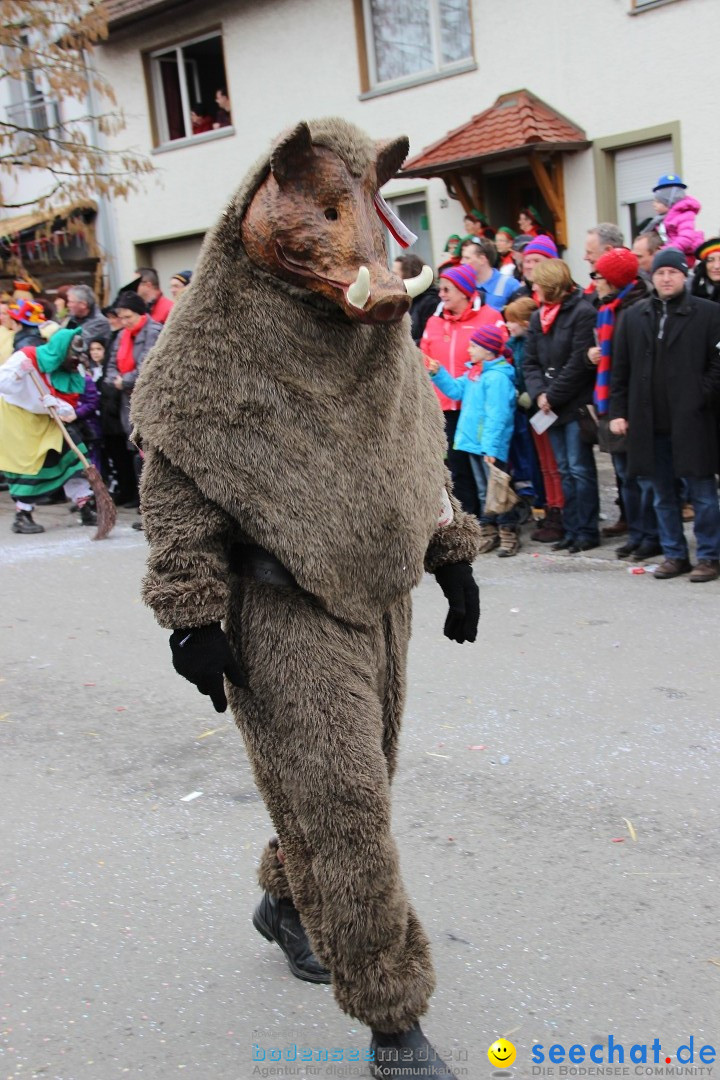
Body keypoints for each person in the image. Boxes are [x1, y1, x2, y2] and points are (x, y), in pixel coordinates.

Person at [131, 117, 482, 1080]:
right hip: (275, 602)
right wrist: (191, 613)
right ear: (272, 194)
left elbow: (416, 441)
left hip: (378, 592)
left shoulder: (375, 339)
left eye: (360, 209)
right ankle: (394, 1024)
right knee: (347, 809)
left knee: (359, 781)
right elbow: (177, 479)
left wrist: (450, 550)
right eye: (329, 209)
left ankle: (287, 901)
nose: (355, 233)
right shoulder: (211, 347)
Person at [610, 249, 720, 582]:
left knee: (702, 493)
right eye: (660, 273)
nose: (666, 278)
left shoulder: (708, 313)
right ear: (652, 277)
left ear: (684, 275)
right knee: (662, 493)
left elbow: (717, 367)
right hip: (648, 421)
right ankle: (674, 555)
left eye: (673, 272)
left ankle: (709, 556)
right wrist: (617, 412)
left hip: (694, 420)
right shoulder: (633, 315)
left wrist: (697, 394)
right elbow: (620, 369)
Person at [587, 248, 659, 561]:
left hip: (632, 404)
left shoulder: (639, 308)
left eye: (598, 276)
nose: (594, 281)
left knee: (642, 476)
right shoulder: (606, 308)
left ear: (614, 279)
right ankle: (637, 533)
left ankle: (651, 536)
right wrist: (593, 356)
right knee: (625, 477)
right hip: (610, 400)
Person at [523, 258, 600, 553]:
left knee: (580, 469)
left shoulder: (582, 312)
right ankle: (571, 528)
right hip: (549, 407)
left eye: (537, 282)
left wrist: (551, 396)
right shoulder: (537, 317)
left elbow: (578, 364)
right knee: (565, 469)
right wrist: (540, 392)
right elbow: (529, 362)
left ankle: (587, 530)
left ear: (551, 285)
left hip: (573, 404)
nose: (533, 286)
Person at [420, 262, 507, 516]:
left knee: (486, 469)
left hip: (478, 407)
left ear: (463, 290)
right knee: (457, 469)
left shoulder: (490, 316)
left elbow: (503, 357)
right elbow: (425, 358)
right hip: (445, 406)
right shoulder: (435, 322)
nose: (441, 294)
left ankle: (498, 521)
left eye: (447, 289)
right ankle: (471, 520)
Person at [428, 324, 520, 556]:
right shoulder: (474, 373)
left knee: (498, 491)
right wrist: (439, 373)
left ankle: (509, 532)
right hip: (472, 443)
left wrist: (491, 447)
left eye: (473, 346)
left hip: (488, 447)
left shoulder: (497, 378)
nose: (468, 349)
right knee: (483, 492)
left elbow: (497, 416)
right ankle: (489, 533)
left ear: (488, 350)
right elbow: (456, 391)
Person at [0, 327, 97, 533]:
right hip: (19, 418)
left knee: (73, 457)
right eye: (72, 355)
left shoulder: (67, 371)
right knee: (32, 465)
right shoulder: (26, 357)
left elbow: (70, 403)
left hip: (49, 418)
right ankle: (22, 515)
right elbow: (3, 383)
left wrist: (59, 404)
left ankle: (85, 506)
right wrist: (19, 373)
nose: (75, 361)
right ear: (61, 351)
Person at [643, 174, 703, 264]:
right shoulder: (660, 220)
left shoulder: (685, 215)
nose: (653, 204)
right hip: (669, 255)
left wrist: (666, 250)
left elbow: (685, 238)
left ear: (669, 201)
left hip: (682, 257)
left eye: (658, 201)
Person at [460, 235, 521, 311]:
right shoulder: (461, 286)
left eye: (467, 258)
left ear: (482, 259)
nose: (461, 262)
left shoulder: (510, 285)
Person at [393, 254, 438, 344]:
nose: (390, 278)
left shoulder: (431, 302)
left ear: (409, 276)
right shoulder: (400, 302)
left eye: (395, 274)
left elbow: (429, 339)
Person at [66, 284, 112, 350]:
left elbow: (82, 347)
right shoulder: (71, 319)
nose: (68, 305)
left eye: (71, 302)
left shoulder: (100, 323)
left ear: (83, 305)